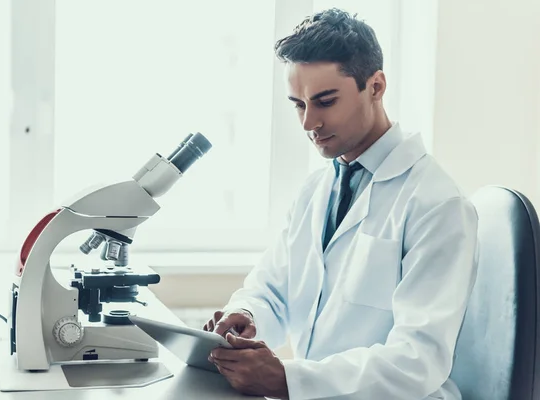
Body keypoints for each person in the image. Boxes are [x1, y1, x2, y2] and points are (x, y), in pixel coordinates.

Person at [203, 8, 478, 400]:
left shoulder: (437, 204)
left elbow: (418, 361)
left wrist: (288, 380)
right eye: (298, 104)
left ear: (376, 86)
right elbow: (272, 289)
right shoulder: (315, 190)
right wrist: (247, 316)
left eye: (325, 101)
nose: (308, 123)